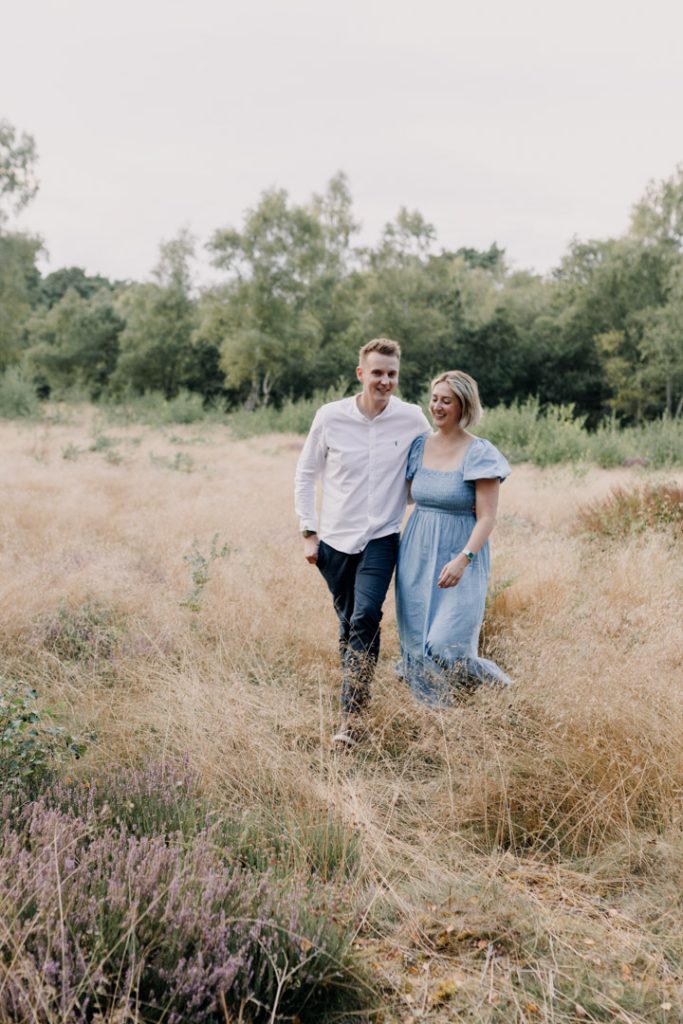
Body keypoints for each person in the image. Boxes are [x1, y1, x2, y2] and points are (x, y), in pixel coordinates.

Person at [294, 338, 430, 746]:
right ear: (361, 374)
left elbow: (434, 454)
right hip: (334, 541)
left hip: (382, 536)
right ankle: (354, 687)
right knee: (349, 623)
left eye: (392, 374)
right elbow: (304, 474)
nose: (385, 381)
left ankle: (351, 717)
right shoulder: (330, 417)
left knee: (366, 617)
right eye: (377, 373)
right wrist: (308, 531)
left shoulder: (411, 418)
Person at [395, 370, 512, 705]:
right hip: (416, 554)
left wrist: (464, 559)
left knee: (447, 644)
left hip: (462, 555)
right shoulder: (419, 446)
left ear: (464, 405)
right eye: (434, 399)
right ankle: (436, 726)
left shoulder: (480, 452)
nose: (437, 406)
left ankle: (499, 690)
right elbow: (401, 495)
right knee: (417, 645)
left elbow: (487, 517)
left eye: (446, 401)